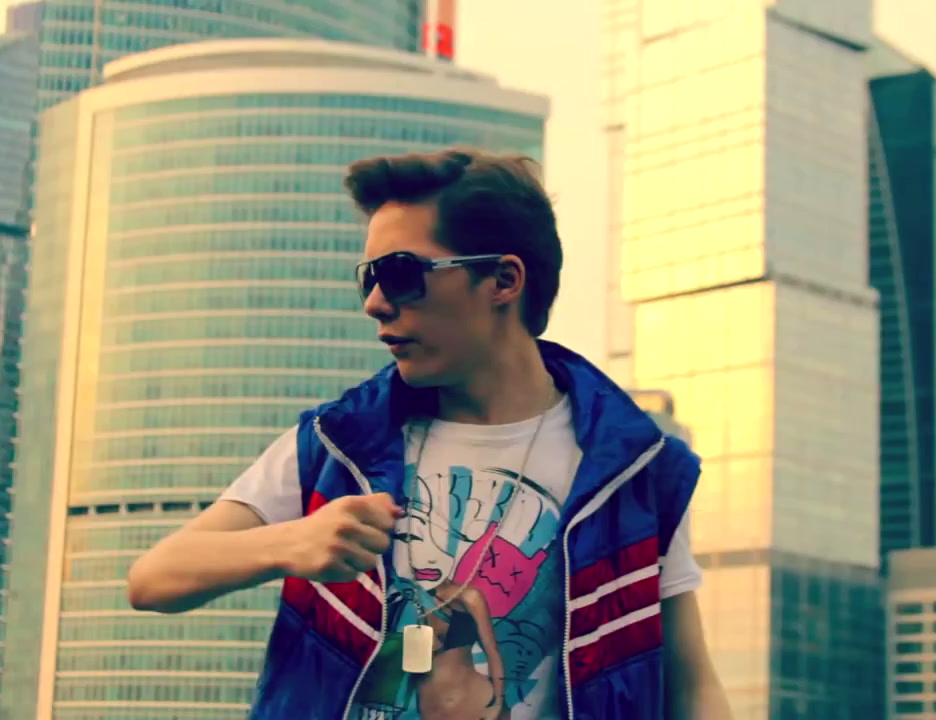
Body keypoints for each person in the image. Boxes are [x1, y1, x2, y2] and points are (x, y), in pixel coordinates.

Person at [127, 148, 732, 720]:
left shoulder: (631, 467)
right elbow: (153, 578)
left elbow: (691, 683)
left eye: (400, 274)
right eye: (368, 277)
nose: (374, 303)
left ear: (504, 280)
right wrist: (291, 541)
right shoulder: (340, 444)